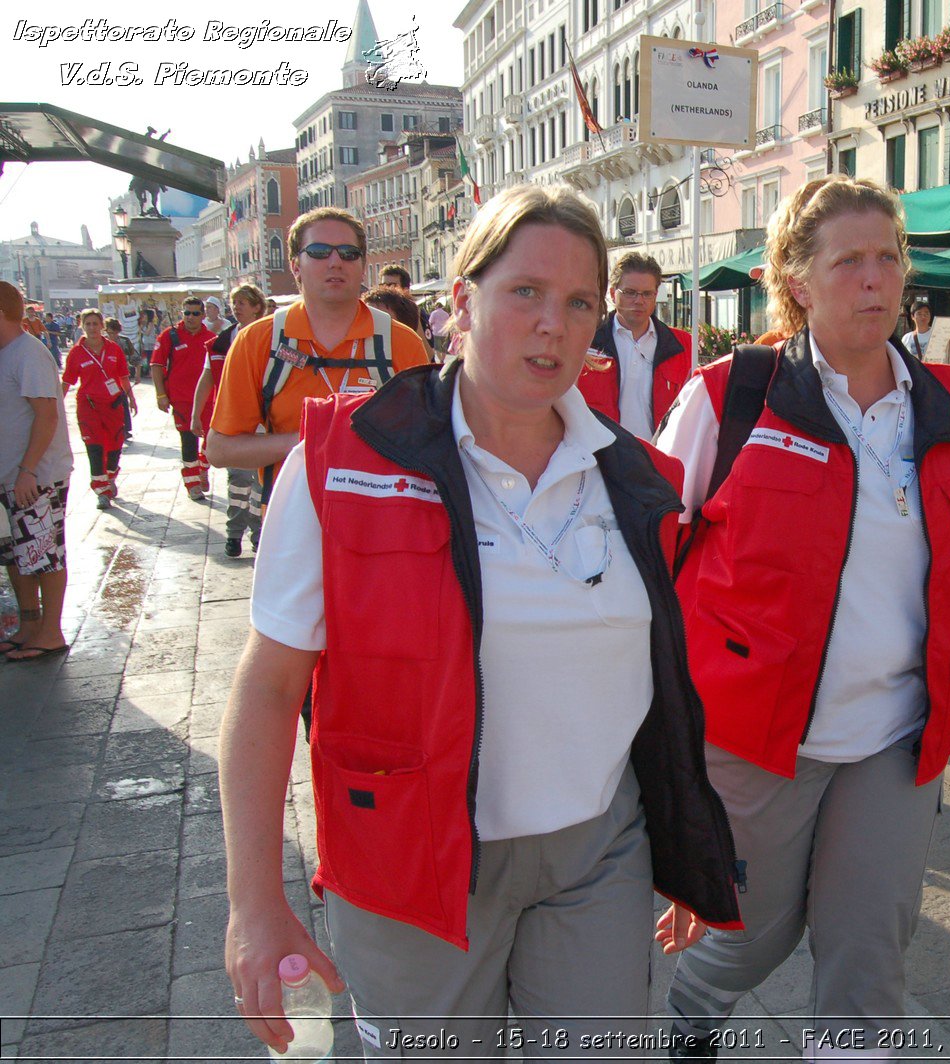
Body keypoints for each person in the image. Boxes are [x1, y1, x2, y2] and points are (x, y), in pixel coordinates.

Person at [219, 183, 742, 1059]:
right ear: (462, 301)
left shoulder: (637, 477)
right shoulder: (345, 458)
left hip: (596, 855)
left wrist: (689, 841)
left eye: (580, 302)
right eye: (526, 293)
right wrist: (255, 904)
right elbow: (270, 689)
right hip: (406, 859)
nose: (555, 325)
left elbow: (662, 684)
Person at [656, 175, 950, 1059]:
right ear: (796, 280)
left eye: (889, 258)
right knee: (752, 932)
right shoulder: (730, 400)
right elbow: (649, 561)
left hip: (895, 737)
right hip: (757, 738)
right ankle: (694, 1013)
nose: (875, 279)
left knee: (869, 952)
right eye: (849, 262)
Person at [206, 208, 431, 508]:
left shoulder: (400, 342)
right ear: (295, 265)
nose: (335, 261)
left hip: (380, 521)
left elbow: (428, 442)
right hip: (290, 518)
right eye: (319, 251)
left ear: (363, 266)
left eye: (349, 253)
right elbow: (220, 450)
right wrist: (311, 439)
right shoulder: (259, 341)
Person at [0, 282, 74, 661]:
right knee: (18, 556)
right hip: (15, 476)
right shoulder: (9, 353)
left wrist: (27, 470)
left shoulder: (28, 354)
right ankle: (29, 626)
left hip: (36, 476)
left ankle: (51, 631)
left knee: (44, 555)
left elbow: (46, 415)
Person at [576, 251, 693, 438]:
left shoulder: (683, 345)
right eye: (630, 293)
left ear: (656, 295)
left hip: (659, 455)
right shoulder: (585, 340)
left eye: (647, 294)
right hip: (601, 454)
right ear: (613, 294)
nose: (639, 301)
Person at [191, 285, 268, 557]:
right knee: (238, 481)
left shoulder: (274, 337)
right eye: (234, 302)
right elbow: (207, 378)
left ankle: (259, 535)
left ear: (257, 306)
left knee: (262, 483)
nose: (237, 307)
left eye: (243, 302)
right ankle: (234, 534)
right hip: (234, 421)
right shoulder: (220, 342)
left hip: (265, 424)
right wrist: (195, 414)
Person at [61, 308, 136, 510]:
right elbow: (67, 380)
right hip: (88, 407)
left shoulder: (114, 349)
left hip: (113, 406)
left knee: (114, 448)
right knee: (94, 448)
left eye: (95, 324)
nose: (92, 328)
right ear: (82, 326)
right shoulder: (77, 353)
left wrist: (131, 398)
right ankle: (101, 490)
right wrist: (57, 403)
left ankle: (110, 476)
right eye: (88, 324)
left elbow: (123, 376)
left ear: (102, 326)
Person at [151, 296, 217, 500]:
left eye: (195, 313)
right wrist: (161, 395)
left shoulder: (211, 337)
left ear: (203, 315)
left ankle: (202, 467)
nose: (190, 317)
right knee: (188, 441)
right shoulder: (170, 336)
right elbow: (156, 365)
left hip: (208, 399)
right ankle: (192, 484)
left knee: (211, 440)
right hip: (181, 400)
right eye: (187, 313)